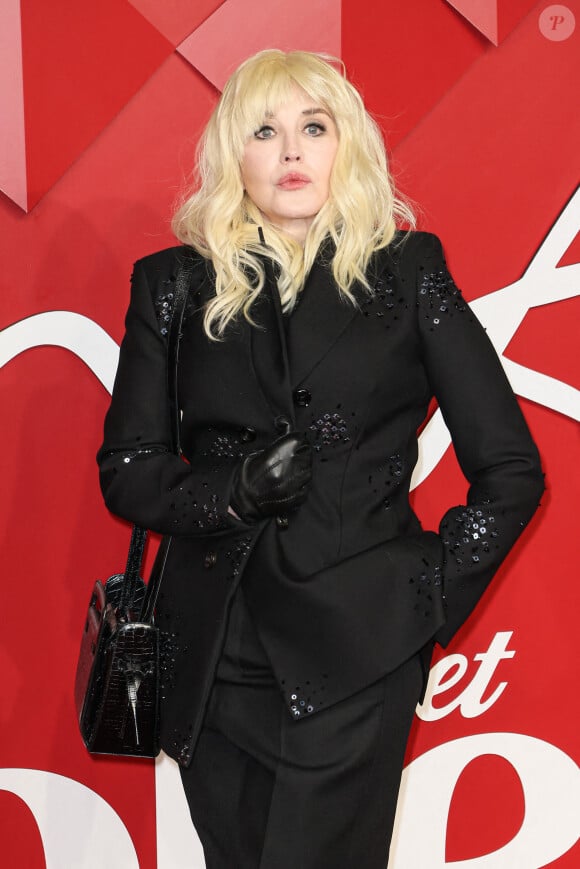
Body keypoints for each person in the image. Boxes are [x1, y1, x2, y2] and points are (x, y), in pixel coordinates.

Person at [97, 49, 544, 868]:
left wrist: (424, 598)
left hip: (358, 653)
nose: (292, 152)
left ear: (348, 146)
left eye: (313, 127)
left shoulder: (409, 274)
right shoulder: (173, 285)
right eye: (265, 131)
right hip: (218, 658)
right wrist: (231, 493)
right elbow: (127, 468)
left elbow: (511, 467)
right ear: (235, 153)